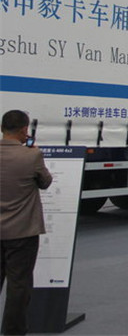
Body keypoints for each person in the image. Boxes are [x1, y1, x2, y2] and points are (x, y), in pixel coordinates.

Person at [0, 110, 52, 336]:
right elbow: (45, 182)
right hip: (22, 231)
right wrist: (33, 150)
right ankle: (13, 331)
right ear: (24, 130)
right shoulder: (32, 155)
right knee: (18, 285)